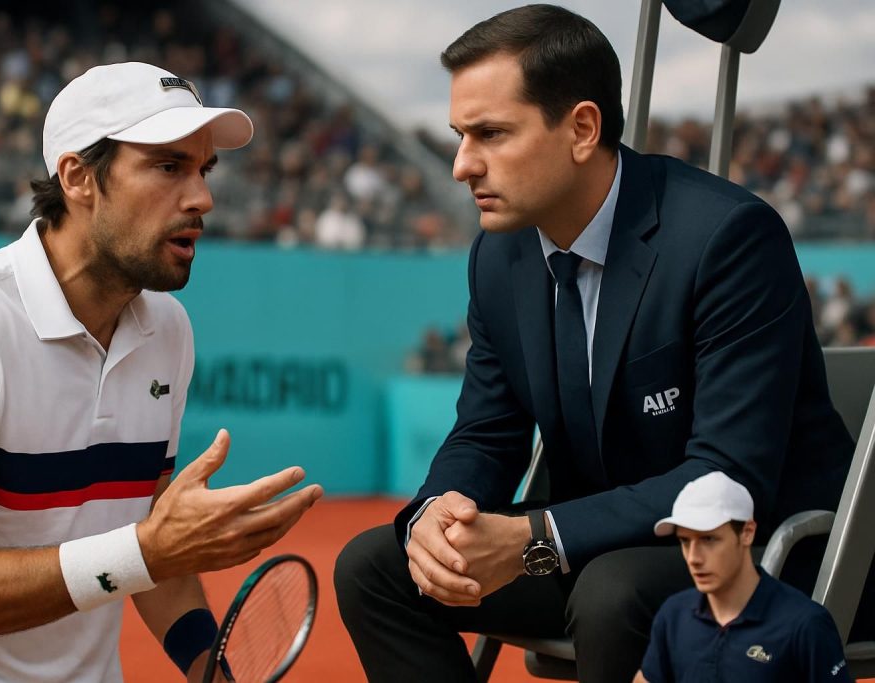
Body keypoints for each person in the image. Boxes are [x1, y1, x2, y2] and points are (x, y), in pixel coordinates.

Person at [334, 5, 872, 682]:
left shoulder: (727, 238)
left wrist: (536, 538)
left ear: (582, 129)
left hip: (761, 550)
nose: (461, 165)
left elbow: (726, 475)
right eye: (459, 135)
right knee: (376, 566)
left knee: (614, 591)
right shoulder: (498, 257)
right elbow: (486, 433)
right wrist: (437, 516)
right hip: (588, 549)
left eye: (490, 134)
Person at [0, 61, 323, 682]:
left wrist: (207, 668)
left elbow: (147, 549)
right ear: (78, 177)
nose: (202, 199)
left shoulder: (169, 331)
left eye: (204, 170)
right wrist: (143, 552)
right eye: (168, 167)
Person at [635, 471, 851, 682]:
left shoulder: (805, 624)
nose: (693, 557)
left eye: (709, 539)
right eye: (685, 541)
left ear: (747, 533)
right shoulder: (673, 615)